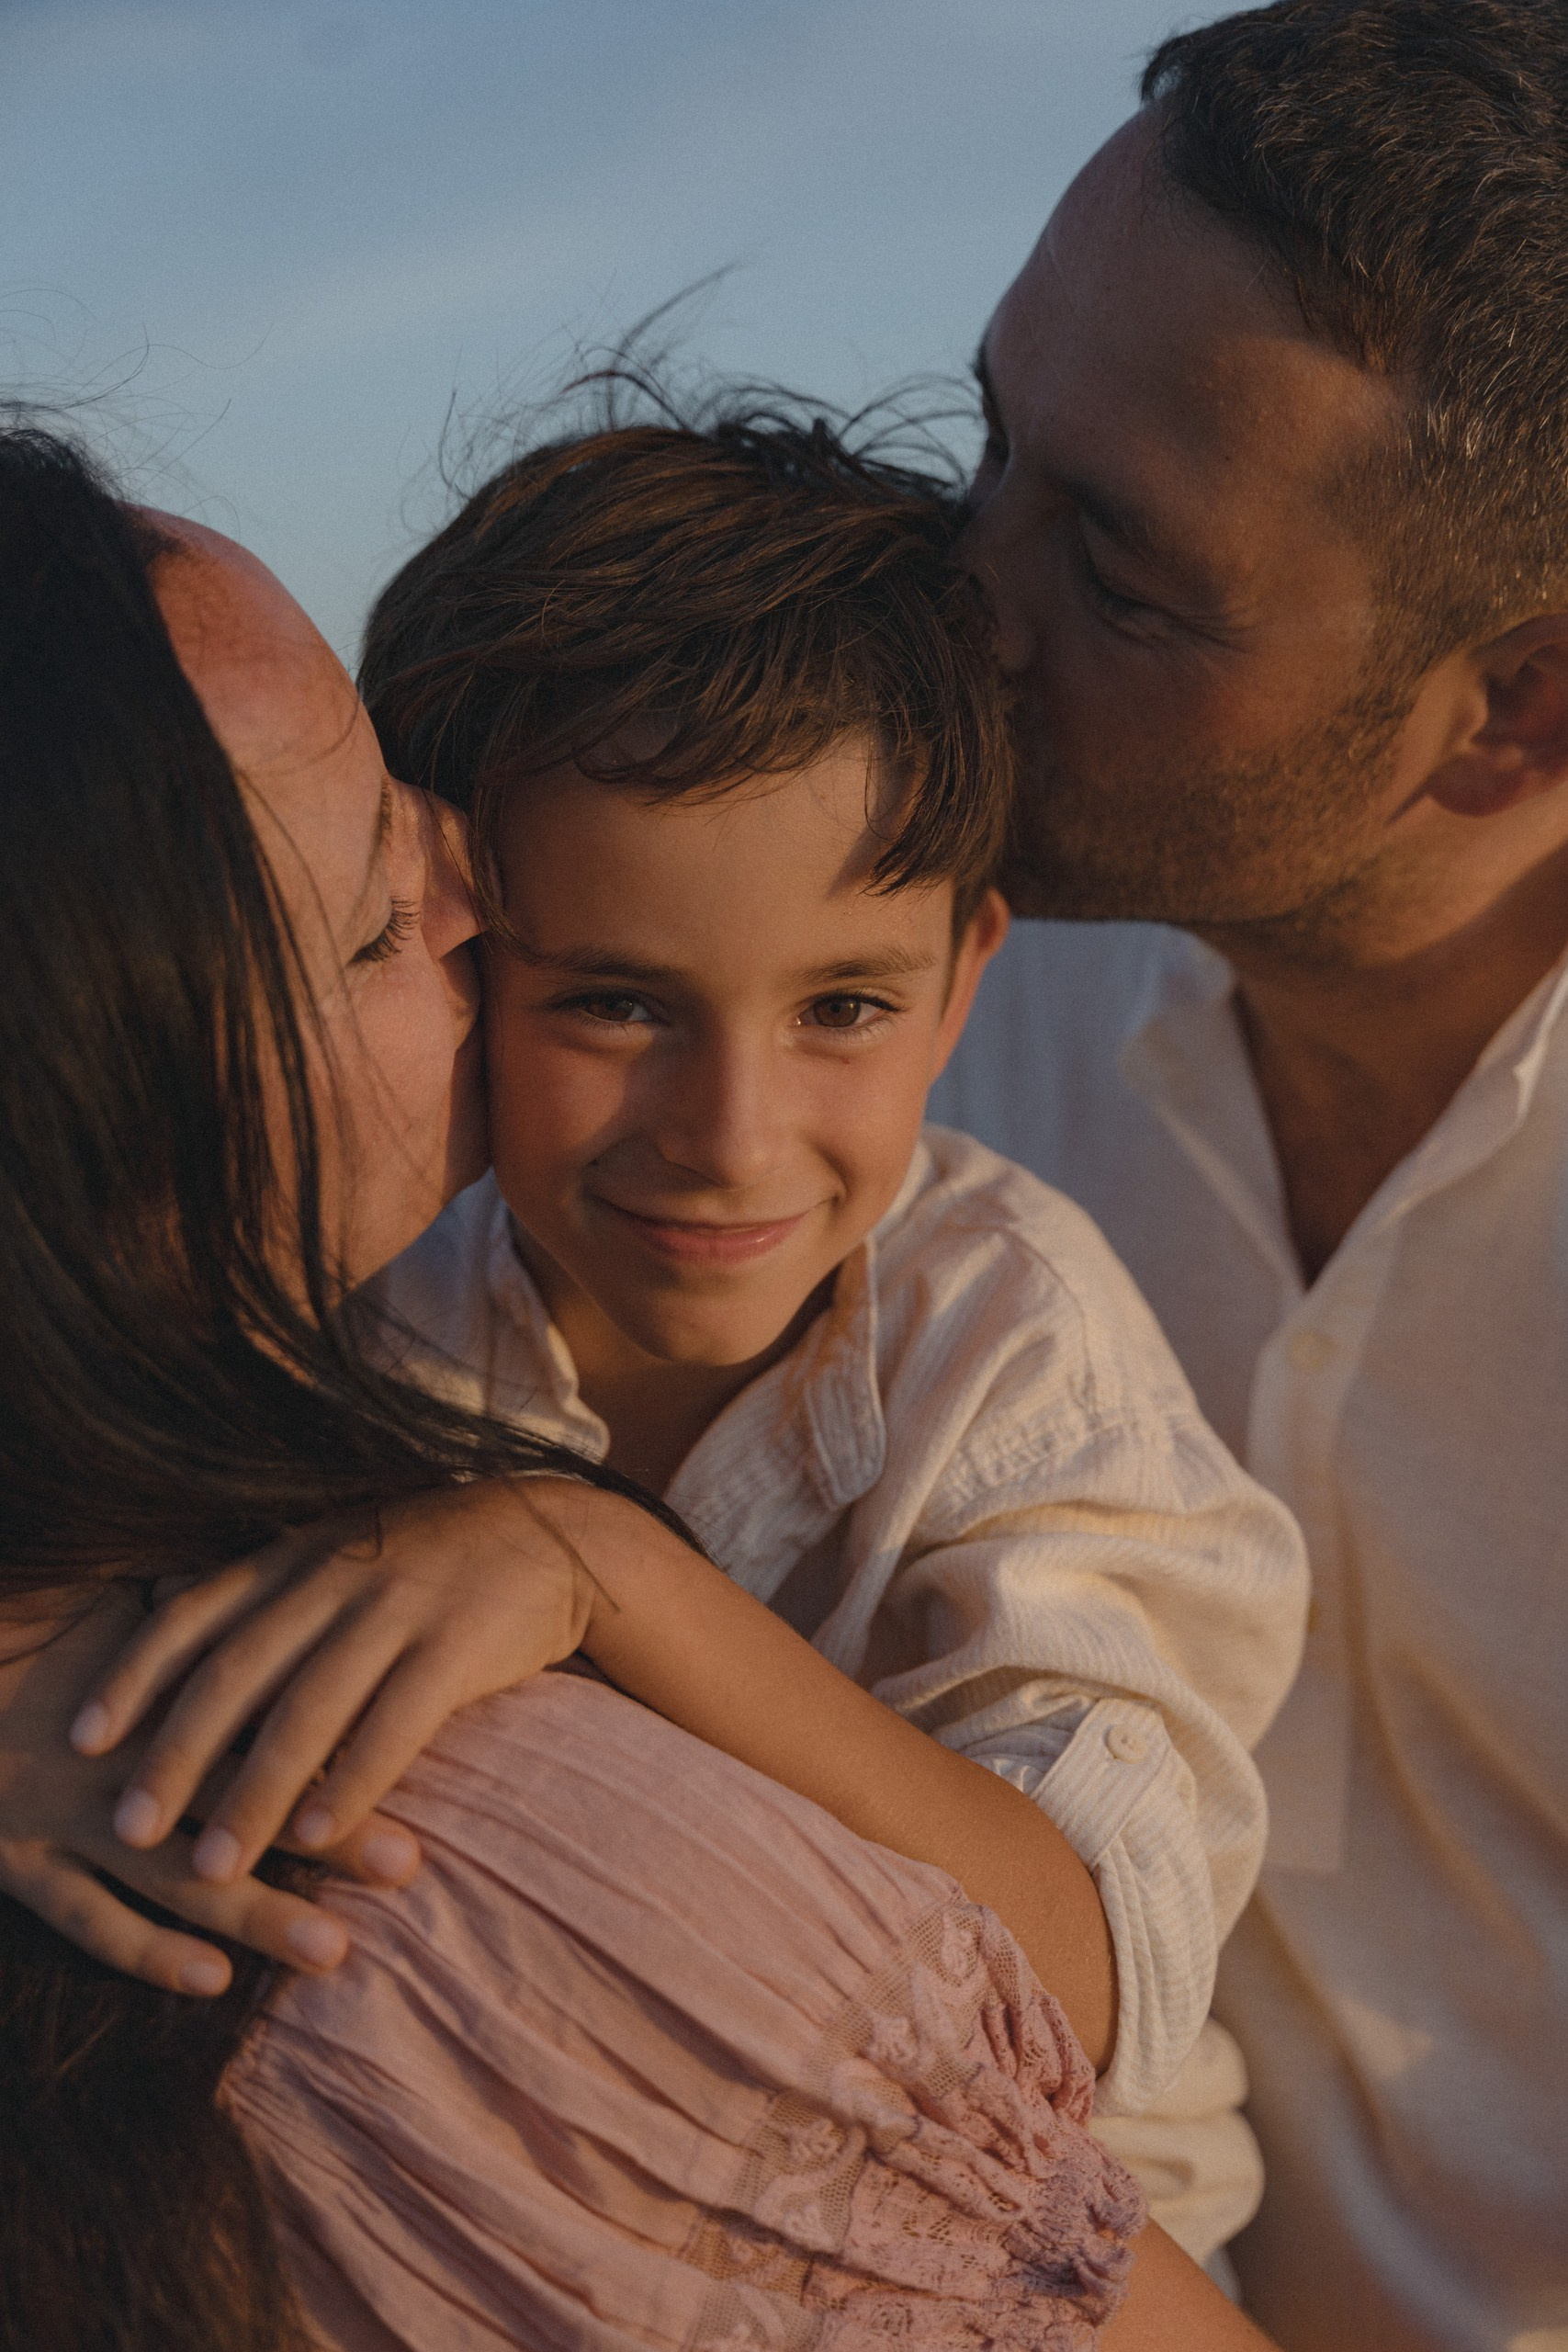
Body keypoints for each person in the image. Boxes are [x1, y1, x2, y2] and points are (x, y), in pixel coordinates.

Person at [0, 422, 1269, 2350]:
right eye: (608, 999)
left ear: (964, 971)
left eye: (841, 1005)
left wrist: (599, 1566)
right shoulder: (390, 1278)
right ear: (471, 937)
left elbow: (1079, 1969)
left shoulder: (1004, 1359)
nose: (728, 1138)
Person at [930, 2, 1568, 2345]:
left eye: (1110, 565)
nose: (958, 602)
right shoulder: (915, 1008)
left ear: (1514, 707)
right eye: (983, 441)